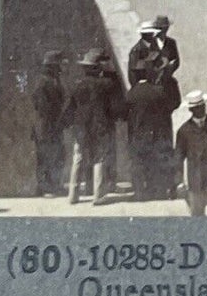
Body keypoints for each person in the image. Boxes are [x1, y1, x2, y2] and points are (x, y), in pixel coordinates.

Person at [63, 50, 124, 205]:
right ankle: (98, 195)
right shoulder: (107, 85)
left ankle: (73, 195)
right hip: (100, 126)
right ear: (99, 68)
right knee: (99, 158)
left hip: (81, 128)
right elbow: (115, 108)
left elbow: (70, 108)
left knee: (78, 158)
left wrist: (66, 123)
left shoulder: (78, 85)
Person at [125, 70, 176, 202]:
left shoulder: (131, 94)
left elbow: (125, 113)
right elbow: (168, 107)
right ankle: (158, 191)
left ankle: (139, 193)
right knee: (154, 162)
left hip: (138, 133)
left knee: (138, 163)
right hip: (155, 131)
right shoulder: (158, 91)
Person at [174, 92, 207, 216]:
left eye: (202, 105)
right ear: (191, 110)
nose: (201, 109)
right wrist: (179, 182)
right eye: (197, 107)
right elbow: (178, 157)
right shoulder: (184, 130)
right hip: (196, 181)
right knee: (197, 216)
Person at [30, 51, 67, 197]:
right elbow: (41, 105)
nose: (60, 69)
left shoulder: (53, 80)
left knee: (56, 156)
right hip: (45, 125)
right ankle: (45, 187)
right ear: (52, 66)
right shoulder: (43, 81)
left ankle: (53, 185)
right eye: (58, 65)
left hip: (53, 125)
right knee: (45, 156)